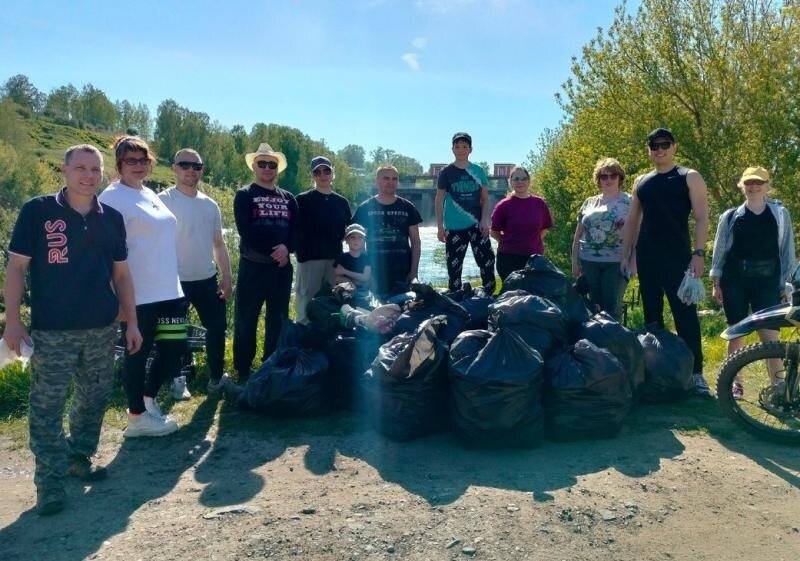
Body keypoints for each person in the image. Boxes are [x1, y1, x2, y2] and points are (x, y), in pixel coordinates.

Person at [2, 144, 142, 515]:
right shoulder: (38, 211)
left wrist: (132, 320)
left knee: (94, 398)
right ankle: (49, 483)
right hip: (52, 331)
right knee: (47, 408)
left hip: (102, 327)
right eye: (80, 168)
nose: (88, 176)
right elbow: (16, 269)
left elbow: (122, 275)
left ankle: (78, 457)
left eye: (95, 169)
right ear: (64, 170)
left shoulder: (110, 217)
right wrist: (12, 320)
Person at [99, 136, 187, 435]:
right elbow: (104, 249)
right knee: (138, 351)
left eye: (143, 160)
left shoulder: (148, 193)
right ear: (119, 164)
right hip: (138, 292)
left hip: (169, 289)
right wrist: (116, 297)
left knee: (175, 347)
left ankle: (148, 399)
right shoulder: (111, 198)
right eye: (130, 160)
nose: (138, 165)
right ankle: (136, 417)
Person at [620, 128, 711, 397]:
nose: (659, 149)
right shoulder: (642, 181)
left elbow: (703, 216)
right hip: (648, 255)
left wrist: (699, 253)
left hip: (679, 255)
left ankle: (696, 374)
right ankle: (656, 373)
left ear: (674, 147)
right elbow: (632, 222)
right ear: (649, 149)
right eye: (653, 145)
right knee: (652, 315)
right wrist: (626, 256)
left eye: (664, 144)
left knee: (685, 315)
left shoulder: (689, 176)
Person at [710, 166, 796, 398]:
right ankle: (733, 383)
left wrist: (786, 285)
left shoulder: (779, 214)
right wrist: (716, 282)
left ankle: (779, 387)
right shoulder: (729, 216)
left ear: (768, 186)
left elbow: (787, 251)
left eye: (759, 183)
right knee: (736, 333)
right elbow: (719, 252)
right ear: (742, 186)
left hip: (768, 282)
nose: (754, 187)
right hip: (735, 280)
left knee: (770, 336)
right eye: (749, 183)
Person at [158, 148, 233, 398]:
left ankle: (215, 378)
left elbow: (218, 244)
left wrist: (227, 277)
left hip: (207, 279)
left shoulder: (210, 205)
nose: (191, 170)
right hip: (174, 280)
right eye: (185, 164)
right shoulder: (162, 201)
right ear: (174, 168)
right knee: (173, 333)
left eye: (197, 166)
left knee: (217, 328)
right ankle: (177, 380)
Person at [233, 143, 299, 382]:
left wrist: (287, 248)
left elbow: (296, 231)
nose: (267, 168)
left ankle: (271, 363)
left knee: (278, 319)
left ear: (277, 169)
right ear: (254, 166)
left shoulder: (289, 198)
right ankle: (242, 369)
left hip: (281, 270)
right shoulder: (244, 194)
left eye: (272, 164)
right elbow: (246, 231)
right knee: (246, 318)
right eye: (262, 163)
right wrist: (276, 251)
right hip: (253, 267)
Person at [570, 158, 632, 319]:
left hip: (617, 261)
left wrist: (633, 262)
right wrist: (574, 261)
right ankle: (595, 342)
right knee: (593, 306)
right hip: (589, 261)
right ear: (598, 180)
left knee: (611, 307)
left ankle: (613, 342)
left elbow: (637, 234)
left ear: (620, 178)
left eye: (613, 176)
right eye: (604, 176)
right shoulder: (589, 202)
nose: (609, 180)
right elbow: (578, 235)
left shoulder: (630, 202)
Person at [435, 132, 496, 293]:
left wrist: (484, 220)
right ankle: (455, 296)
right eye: (457, 146)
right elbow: (439, 200)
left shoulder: (478, 171)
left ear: (470, 149)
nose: (461, 149)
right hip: (454, 226)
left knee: (487, 260)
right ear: (452, 149)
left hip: (477, 224)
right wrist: (440, 228)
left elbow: (484, 198)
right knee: (454, 265)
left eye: (464, 146)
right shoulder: (446, 172)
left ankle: (489, 295)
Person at [295, 156, 352, 323]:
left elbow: (349, 232)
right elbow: (294, 230)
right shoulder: (302, 200)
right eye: (317, 171)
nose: (323, 174)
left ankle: (328, 342)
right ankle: (303, 342)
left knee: (333, 303)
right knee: (306, 305)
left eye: (326, 170)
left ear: (332, 173)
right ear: (312, 175)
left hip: (334, 261)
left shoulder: (342, 202)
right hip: (309, 261)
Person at [352, 165, 422, 297]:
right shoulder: (365, 208)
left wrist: (413, 273)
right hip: (374, 273)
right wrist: (364, 273)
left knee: (403, 313)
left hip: (402, 273)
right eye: (386, 178)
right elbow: (357, 244)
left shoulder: (408, 207)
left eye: (394, 179)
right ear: (377, 180)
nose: (390, 182)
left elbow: (416, 242)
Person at [491, 165, 553, 282]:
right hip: (509, 258)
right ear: (511, 182)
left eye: (524, 178)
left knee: (533, 295)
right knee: (512, 297)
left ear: (529, 181)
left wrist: (531, 241)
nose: (520, 182)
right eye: (516, 179)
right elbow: (494, 232)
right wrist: (510, 242)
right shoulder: (503, 206)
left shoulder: (539, 203)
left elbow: (545, 228)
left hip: (534, 258)